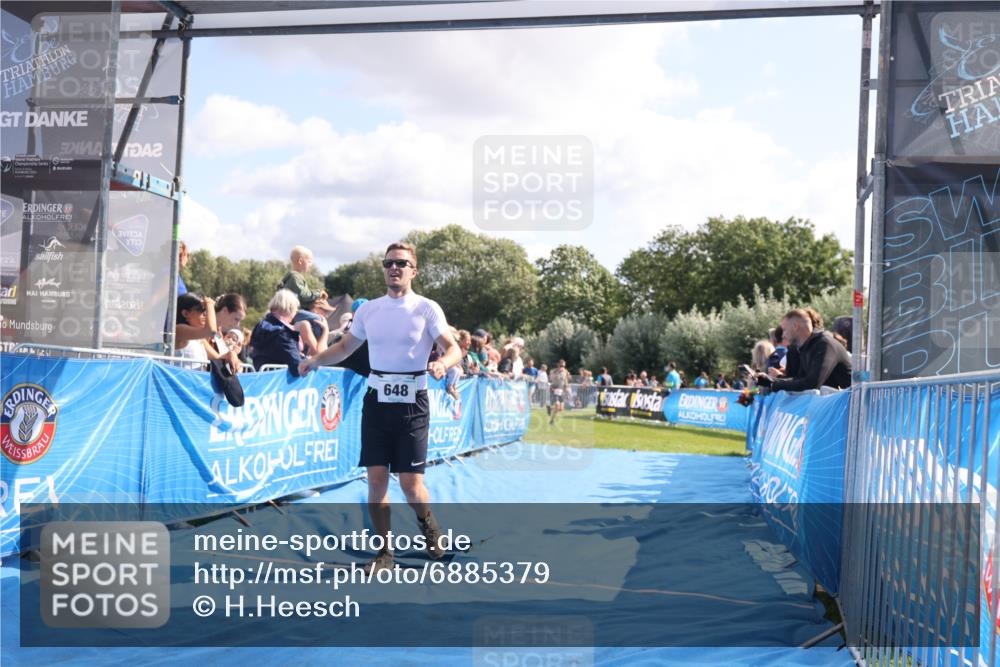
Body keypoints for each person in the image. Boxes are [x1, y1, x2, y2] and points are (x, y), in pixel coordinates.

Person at [299, 241, 462, 573]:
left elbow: (453, 347)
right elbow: (345, 347)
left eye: (401, 263)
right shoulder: (369, 310)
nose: (394, 268)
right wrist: (315, 360)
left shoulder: (427, 308)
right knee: (375, 481)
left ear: (413, 271)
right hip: (376, 402)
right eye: (389, 263)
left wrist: (443, 363)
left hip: (413, 404)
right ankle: (385, 553)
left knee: (411, 485)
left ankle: (427, 522)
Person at [758, 309, 851, 392]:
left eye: (784, 330)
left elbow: (812, 383)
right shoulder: (806, 347)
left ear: (795, 326)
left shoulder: (824, 344)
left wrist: (774, 383)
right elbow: (799, 379)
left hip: (848, 408)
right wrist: (771, 380)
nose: (783, 335)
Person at [249, 289, 305, 374]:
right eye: (295, 310)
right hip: (280, 384)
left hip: (263, 380)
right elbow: (297, 366)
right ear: (289, 309)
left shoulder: (260, 326)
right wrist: (309, 360)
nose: (295, 314)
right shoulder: (282, 333)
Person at [174, 293, 215, 367]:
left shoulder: (200, 339)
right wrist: (210, 304)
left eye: (206, 310)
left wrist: (232, 354)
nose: (205, 314)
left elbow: (218, 358)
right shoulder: (179, 330)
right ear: (185, 313)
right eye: (201, 309)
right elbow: (211, 331)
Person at [548, 359, 571, 425]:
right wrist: (556, 373)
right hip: (554, 390)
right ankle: (552, 417)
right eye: (561, 365)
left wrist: (567, 393)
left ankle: (551, 418)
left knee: (560, 409)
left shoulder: (565, 372)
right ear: (558, 365)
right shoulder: (554, 371)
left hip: (561, 391)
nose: (562, 367)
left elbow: (565, 382)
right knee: (557, 404)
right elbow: (551, 379)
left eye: (563, 366)